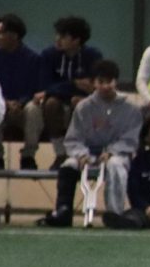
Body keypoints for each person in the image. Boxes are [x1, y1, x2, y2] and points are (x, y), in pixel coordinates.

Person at [36, 60, 140, 226]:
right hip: (88, 153)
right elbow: (73, 138)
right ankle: (63, 211)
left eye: (109, 81)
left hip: (116, 154)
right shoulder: (84, 107)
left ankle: (115, 213)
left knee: (115, 166)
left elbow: (131, 138)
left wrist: (112, 151)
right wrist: (81, 154)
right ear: (93, 83)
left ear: (116, 82)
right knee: (68, 165)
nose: (106, 86)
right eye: (101, 82)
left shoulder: (130, 109)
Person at [36, 16, 103, 169]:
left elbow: (95, 86)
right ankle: (60, 153)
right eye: (57, 34)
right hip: (57, 100)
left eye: (63, 36)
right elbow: (46, 87)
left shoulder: (93, 56)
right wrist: (73, 84)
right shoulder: (48, 55)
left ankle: (81, 154)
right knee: (51, 104)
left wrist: (77, 92)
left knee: (81, 104)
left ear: (76, 40)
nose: (57, 39)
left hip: (82, 100)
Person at [0, 14, 43, 170]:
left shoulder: (33, 59)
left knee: (34, 109)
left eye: (1, 33)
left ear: (14, 35)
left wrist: (21, 102)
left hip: (23, 107)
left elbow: (35, 87)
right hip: (2, 105)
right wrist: (5, 102)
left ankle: (28, 156)